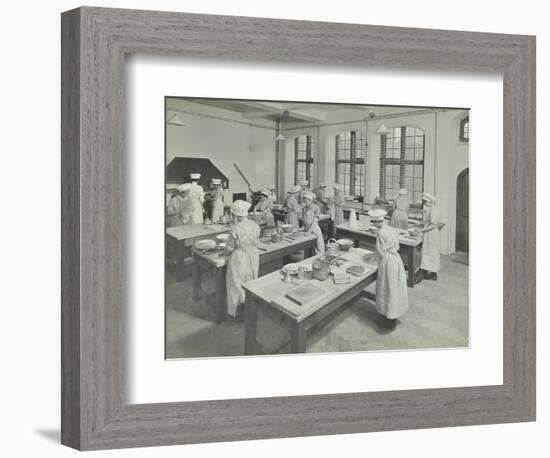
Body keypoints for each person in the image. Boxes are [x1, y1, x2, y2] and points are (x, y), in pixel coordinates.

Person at [369, 208, 409, 328]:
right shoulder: (390, 228)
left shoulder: (380, 233)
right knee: (394, 288)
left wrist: (373, 258)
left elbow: (380, 251)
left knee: (386, 287)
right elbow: (396, 245)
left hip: (387, 261)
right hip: (396, 259)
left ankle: (388, 320)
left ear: (375, 222)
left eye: (373, 222)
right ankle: (393, 314)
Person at [224, 200, 261, 318]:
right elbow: (256, 242)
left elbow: (230, 247)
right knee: (251, 280)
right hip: (253, 255)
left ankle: (237, 313)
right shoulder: (255, 225)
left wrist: (223, 253)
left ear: (235, 215)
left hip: (239, 257)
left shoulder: (235, 229)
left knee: (236, 283)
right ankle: (250, 310)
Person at [419, 192, 440, 281]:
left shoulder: (433, 210)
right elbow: (428, 221)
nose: (424, 203)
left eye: (425, 202)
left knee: (431, 252)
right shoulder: (429, 209)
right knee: (426, 251)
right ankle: (426, 270)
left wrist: (421, 230)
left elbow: (433, 225)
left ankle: (433, 273)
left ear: (430, 202)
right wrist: (421, 223)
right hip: (428, 233)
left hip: (431, 233)